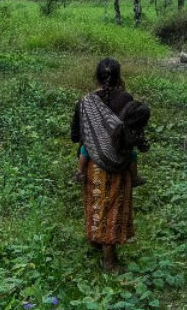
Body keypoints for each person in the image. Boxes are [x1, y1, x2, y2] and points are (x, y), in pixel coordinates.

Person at [70, 57, 151, 271]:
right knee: (113, 207)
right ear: (119, 76)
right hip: (119, 164)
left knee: (96, 204)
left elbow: (75, 135)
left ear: (96, 77)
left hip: (93, 164)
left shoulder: (85, 102)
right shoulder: (126, 98)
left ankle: (96, 241)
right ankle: (109, 260)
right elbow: (133, 131)